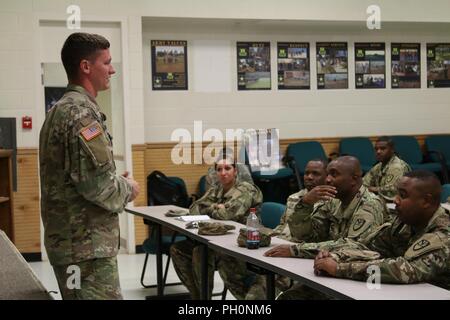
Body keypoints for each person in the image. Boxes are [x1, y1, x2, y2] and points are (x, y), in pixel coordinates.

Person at [39, 33, 140, 300]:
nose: (112, 69)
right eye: (106, 63)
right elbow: (98, 186)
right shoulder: (81, 114)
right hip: (86, 250)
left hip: (73, 245)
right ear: (86, 66)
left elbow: (78, 177)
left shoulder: (59, 110)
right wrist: (127, 188)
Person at [264, 156, 386, 299]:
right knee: (288, 297)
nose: (327, 180)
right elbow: (305, 236)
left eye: (334, 174)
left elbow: (354, 245)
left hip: (359, 278)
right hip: (328, 271)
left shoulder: (370, 204)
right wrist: (305, 204)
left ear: (354, 178)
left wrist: (295, 250)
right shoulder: (333, 201)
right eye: (327, 174)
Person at [314, 170, 450, 290]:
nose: (395, 200)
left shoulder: (444, 234)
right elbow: (367, 244)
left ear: (426, 201)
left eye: (402, 195)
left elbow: (405, 270)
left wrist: (338, 268)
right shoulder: (405, 222)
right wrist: (336, 256)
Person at [170, 153, 263, 300]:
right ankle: (199, 297)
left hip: (243, 243)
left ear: (235, 171)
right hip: (219, 240)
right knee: (179, 250)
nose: (223, 173)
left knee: (200, 253)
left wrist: (212, 209)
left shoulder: (245, 189)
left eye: (227, 168)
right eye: (219, 169)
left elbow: (227, 215)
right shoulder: (217, 188)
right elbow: (194, 208)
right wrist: (215, 206)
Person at [273, 158, 330, 241]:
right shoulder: (294, 198)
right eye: (306, 173)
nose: (309, 177)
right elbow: (283, 225)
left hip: (303, 248)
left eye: (315, 174)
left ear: (327, 176)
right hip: (281, 242)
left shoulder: (332, 202)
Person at [363, 136, 411, 202]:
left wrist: (372, 189)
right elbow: (364, 183)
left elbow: (393, 191)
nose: (378, 152)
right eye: (376, 149)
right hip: (382, 201)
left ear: (392, 150)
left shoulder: (397, 167)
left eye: (383, 148)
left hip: (397, 203)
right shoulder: (379, 166)